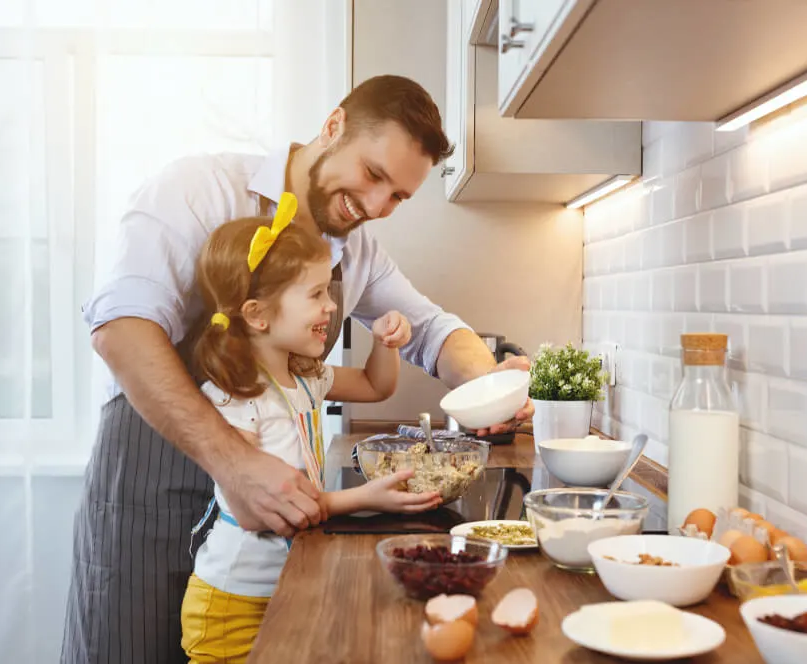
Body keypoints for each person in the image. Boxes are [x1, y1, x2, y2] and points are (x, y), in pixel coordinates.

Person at [62, 74, 533, 664]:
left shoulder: (356, 251)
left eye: (397, 198)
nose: (375, 206)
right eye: (372, 174)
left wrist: (491, 385)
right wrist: (234, 463)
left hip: (266, 535)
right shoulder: (198, 189)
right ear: (333, 126)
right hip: (148, 483)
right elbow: (121, 330)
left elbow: (434, 330)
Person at [179, 195, 441, 663]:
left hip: (280, 584)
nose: (330, 307)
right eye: (316, 294)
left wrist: (386, 343)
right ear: (258, 314)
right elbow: (265, 512)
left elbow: (374, 385)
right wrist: (363, 498)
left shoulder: (304, 376)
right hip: (231, 606)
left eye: (329, 292)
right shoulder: (233, 400)